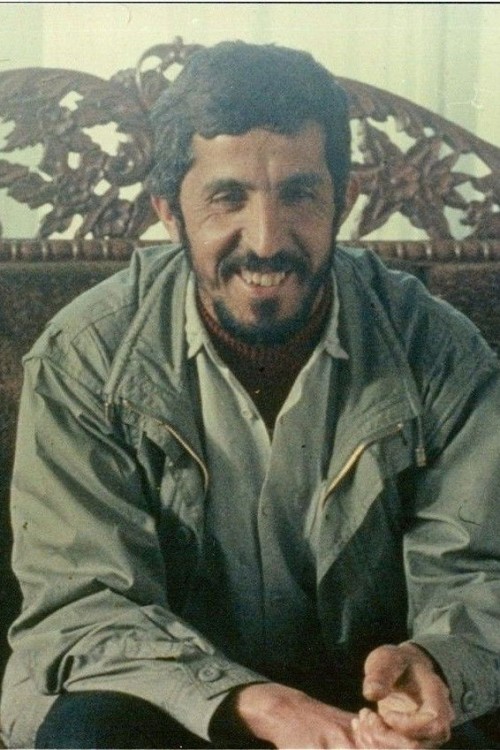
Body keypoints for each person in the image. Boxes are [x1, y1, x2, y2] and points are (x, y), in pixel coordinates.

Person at [1, 40, 500, 750]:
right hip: (160, 702)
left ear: (342, 203)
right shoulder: (84, 355)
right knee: (91, 731)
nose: (266, 240)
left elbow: (476, 573)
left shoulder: (440, 351)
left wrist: (436, 666)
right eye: (227, 198)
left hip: (361, 705)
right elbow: (86, 605)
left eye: (299, 194)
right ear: (169, 213)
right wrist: (252, 703)